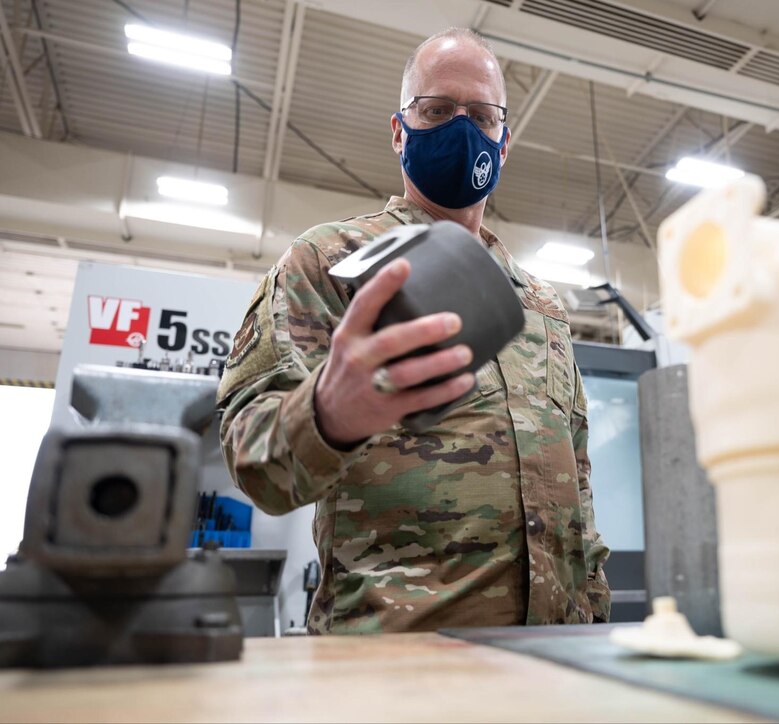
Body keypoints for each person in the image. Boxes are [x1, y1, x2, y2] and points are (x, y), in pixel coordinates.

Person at [217, 27, 611, 633]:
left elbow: (579, 489)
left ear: (502, 145)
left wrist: (598, 625)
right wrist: (326, 413)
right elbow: (252, 463)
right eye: (436, 110)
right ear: (400, 131)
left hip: (557, 662)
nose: (461, 128)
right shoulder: (328, 265)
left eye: (481, 116)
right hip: (394, 664)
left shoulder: (542, 305)